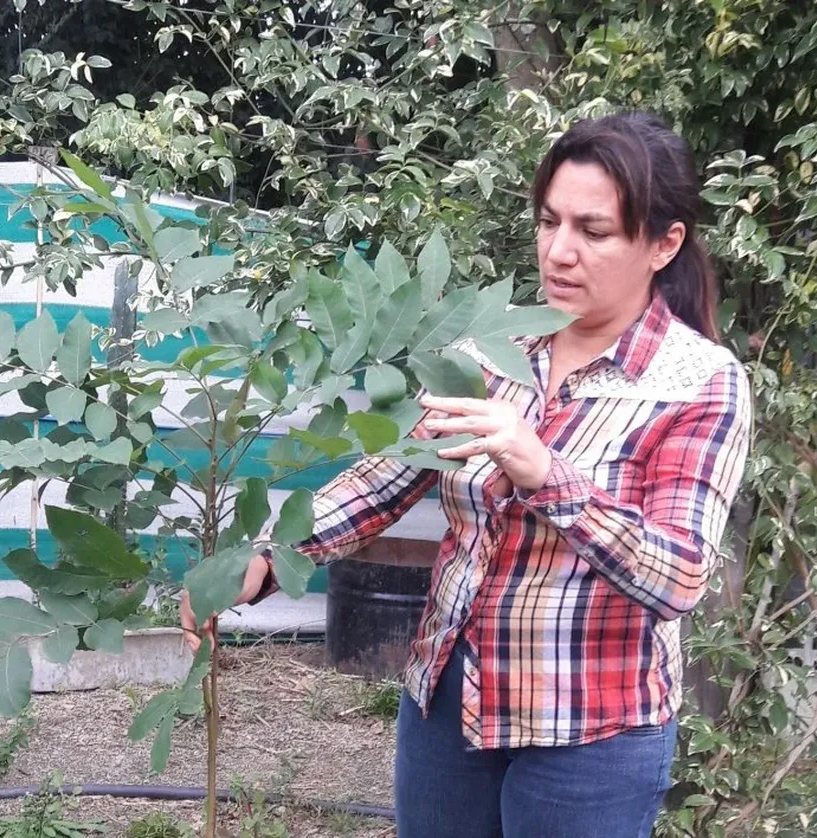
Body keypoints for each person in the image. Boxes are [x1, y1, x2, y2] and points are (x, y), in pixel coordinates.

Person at [182, 111, 751, 838]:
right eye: (549, 222)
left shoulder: (699, 382)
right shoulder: (496, 344)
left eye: (594, 231)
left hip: (591, 728)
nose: (560, 252)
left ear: (663, 244)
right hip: (448, 703)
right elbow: (388, 478)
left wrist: (547, 472)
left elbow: (678, 576)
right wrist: (268, 555)